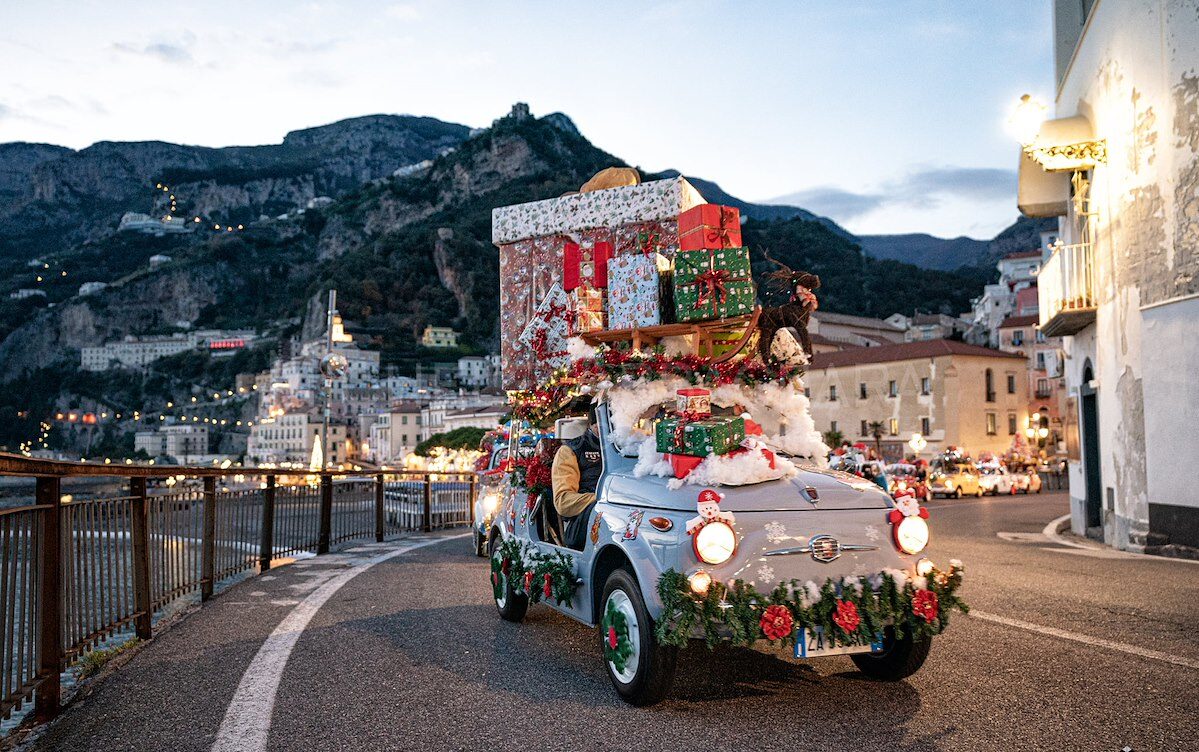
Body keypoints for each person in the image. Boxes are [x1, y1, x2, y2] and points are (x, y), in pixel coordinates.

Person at [552, 402, 602, 550]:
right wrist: (602, 499)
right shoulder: (570, 450)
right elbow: (563, 502)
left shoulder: (626, 448)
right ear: (593, 424)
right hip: (585, 523)